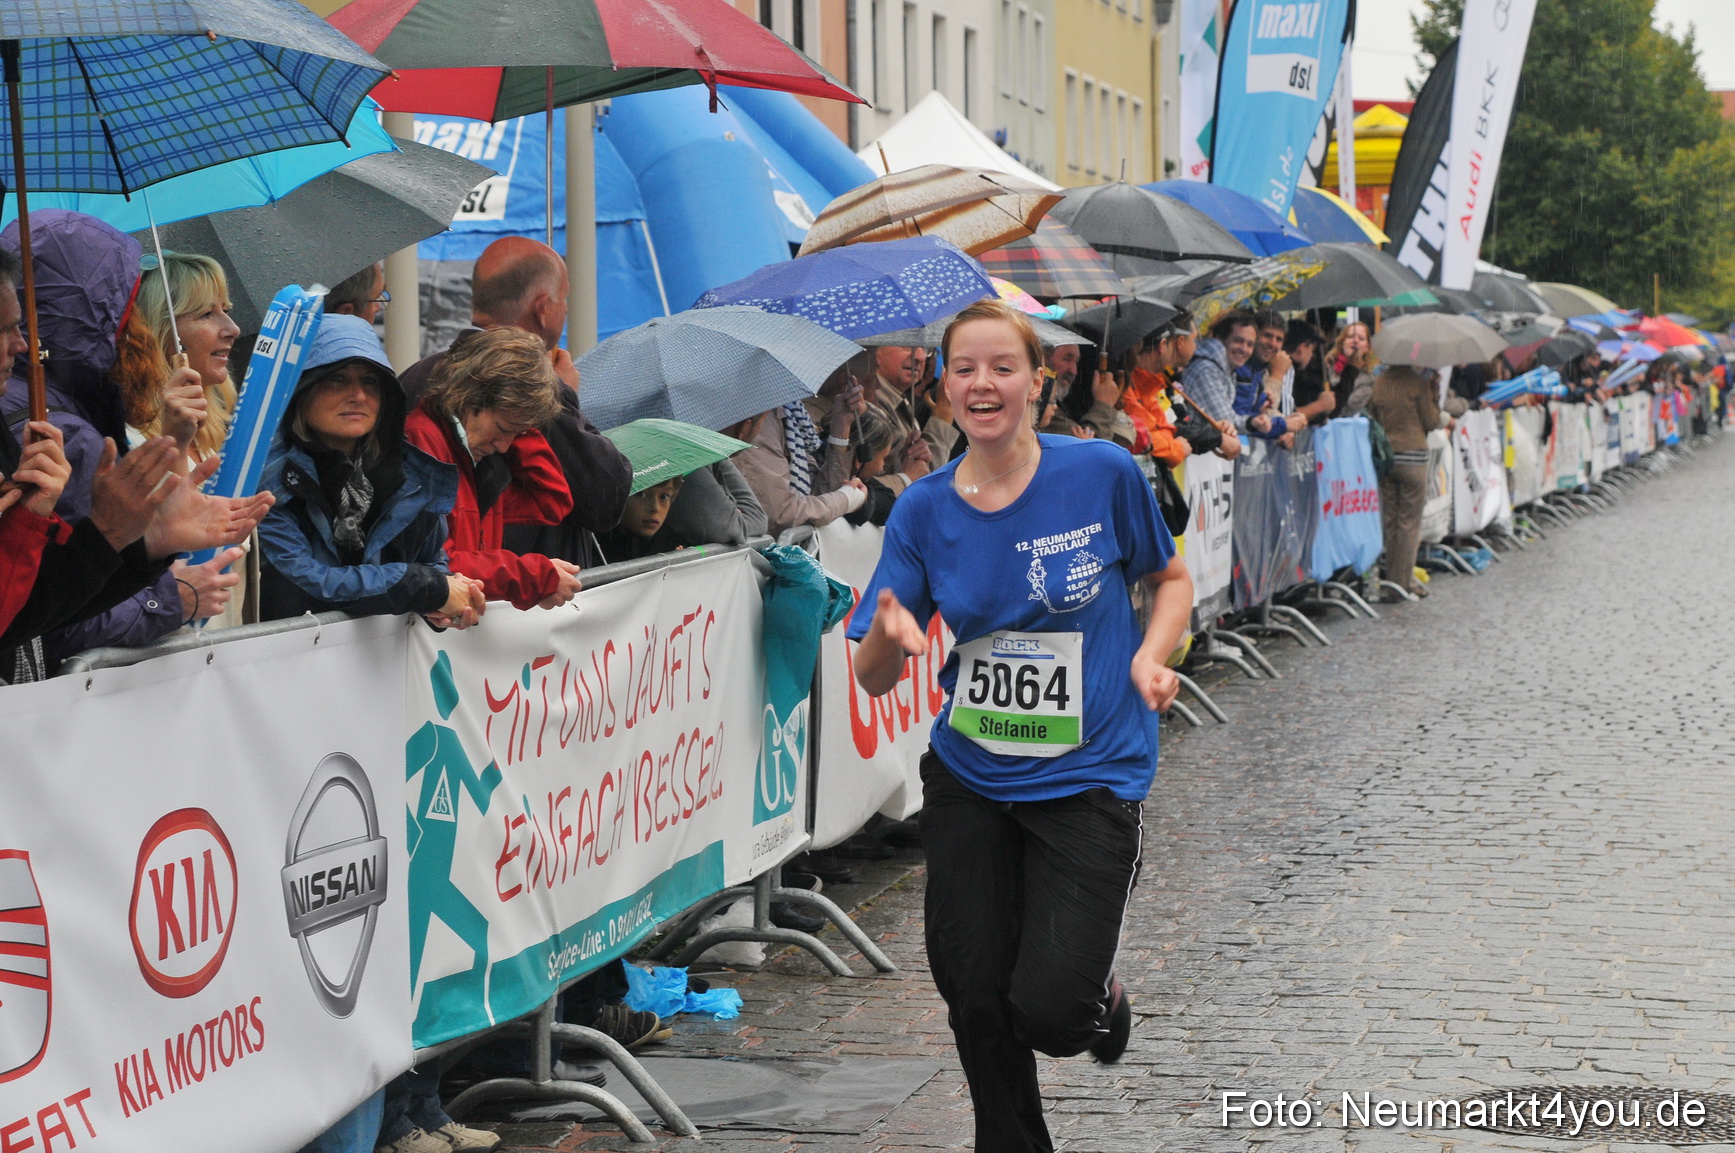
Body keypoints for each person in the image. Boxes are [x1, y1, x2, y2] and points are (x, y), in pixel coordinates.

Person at [847, 298, 1193, 1153]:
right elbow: (870, 668)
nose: (982, 383)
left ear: (1038, 382)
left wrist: (1151, 654)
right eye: (964, 367)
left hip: (1090, 772)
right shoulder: (923, 511)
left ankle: (1093, 1001)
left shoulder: (1101, 474)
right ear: (943, 387)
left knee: (1046, 1008)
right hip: (970, 773)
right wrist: (889, 642)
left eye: (1002, 366)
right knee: (970, 987)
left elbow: (1170, 578)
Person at [403, 237, 631, 570]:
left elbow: (551, 500)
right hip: (507, 601)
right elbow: (606, 499)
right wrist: (563, 399)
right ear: (543, 307)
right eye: (564, 299)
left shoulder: (414, 377)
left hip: (471, 593)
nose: (502, 445)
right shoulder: (526, 387)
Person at [257, 315, 485, 627]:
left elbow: (433, 562)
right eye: (337, 379)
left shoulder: (410, 475)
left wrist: (442, 602)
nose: (359, 396)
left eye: (370, 381)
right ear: (302, 390)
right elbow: (303, 581)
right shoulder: (265, 479)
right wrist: (423, 587)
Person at [403, 326, 580, 610]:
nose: (504, 446)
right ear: (472, 397)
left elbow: (551, 501)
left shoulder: (469, 448)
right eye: (501, 428)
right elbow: (434, 563)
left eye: (517, 434)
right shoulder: (423, 439)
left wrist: (521, 423)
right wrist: (532, 576)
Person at [1366, 363, 1447, 600]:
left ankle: (1392, 579)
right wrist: (1433, 392)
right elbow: (1431, 421)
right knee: (1409, 522)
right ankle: (1400, 583)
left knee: (1391, 520)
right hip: (1413, 458)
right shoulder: (1417, 383)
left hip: (1387, 457)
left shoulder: (1378, 384)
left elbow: (1373, 417)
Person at [868, 345, 955, 494]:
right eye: (907, 346)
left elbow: (924, 476)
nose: (920, 357)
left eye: (926, 348)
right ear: (875, 351)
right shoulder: (869, 404)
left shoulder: (900, 401)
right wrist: (944, 410)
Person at [1326, 320, 1375, 417]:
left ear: (1367, 347)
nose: (1355, 340)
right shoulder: (1326, 365)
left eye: (1361, 338)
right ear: (1342, 341)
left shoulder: (1367, 381)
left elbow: (1346, 410)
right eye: (1350, 336)